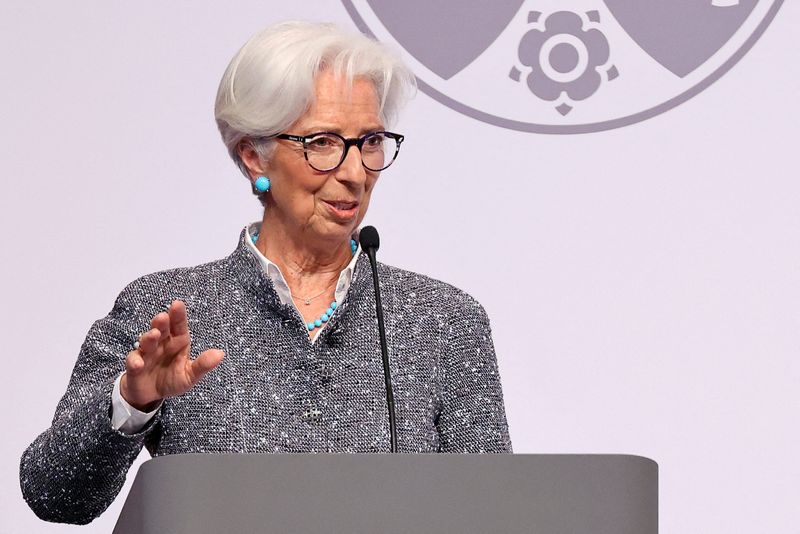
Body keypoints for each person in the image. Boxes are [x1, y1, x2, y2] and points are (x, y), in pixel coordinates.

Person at [19, 21, 513, 525]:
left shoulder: (445, 322)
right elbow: (55, 494)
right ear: (254, 155)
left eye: (369, 141)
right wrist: (132, 400)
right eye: (323, 142)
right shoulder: (167, 308)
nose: (355, 171)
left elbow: (495, 514)